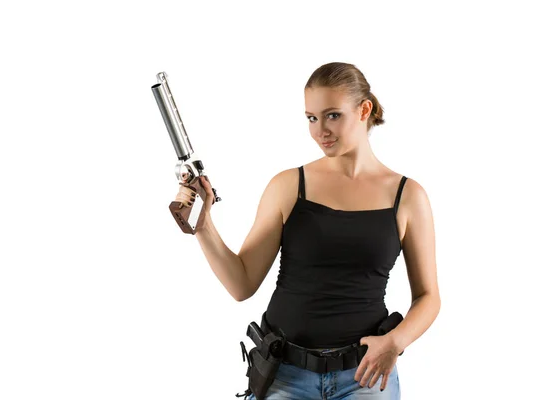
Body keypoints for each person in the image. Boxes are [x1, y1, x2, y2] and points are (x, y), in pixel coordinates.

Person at [174, 62, 440, 400]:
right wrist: (202, 226)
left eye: (332, 116)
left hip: (366, 376)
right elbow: (241, 285)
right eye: (312, 118)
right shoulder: (288, 186)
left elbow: (428, 297)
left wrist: (395, 342)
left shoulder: (408, 196)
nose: (320, 131)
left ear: (364, 110)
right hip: (284, 376)